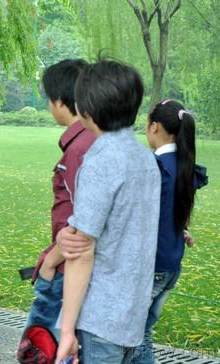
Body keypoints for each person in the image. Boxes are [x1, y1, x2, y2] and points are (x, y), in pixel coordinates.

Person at [54, 60, 161, 364]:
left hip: (101, 316)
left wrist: (66, 331)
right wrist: (71, 232)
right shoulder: (145, 158)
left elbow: (81, 252)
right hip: (132, 315)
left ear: (85, 108)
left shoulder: (101, 161)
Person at [130, 100, 207, 363]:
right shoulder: (183, 166)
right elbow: (170, 212)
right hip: (171, 264)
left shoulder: (156, 167)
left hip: (152, 265)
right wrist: (181, 232)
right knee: (143, 333)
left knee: (131, 336)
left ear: (155, 127)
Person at [23, 59, 94, 334]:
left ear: (60, 102)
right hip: (69, 265)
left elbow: (83, 221)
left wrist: (50, 262)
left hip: (67, 269)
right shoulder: (90, 141)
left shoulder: (80, 150)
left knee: (41, 349)